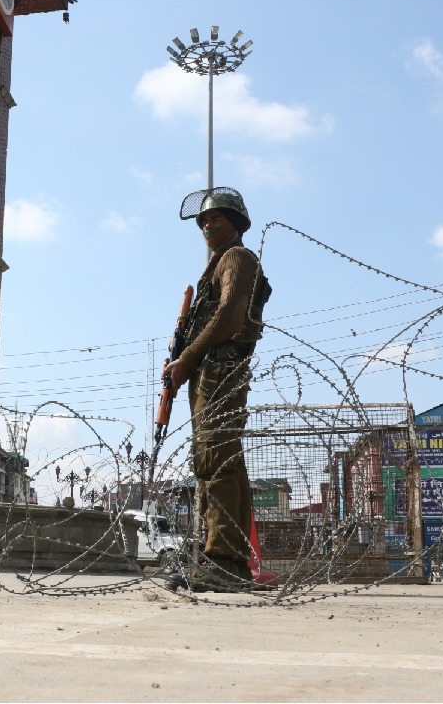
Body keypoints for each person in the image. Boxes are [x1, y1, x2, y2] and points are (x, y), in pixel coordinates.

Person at [164, 187, 271, 592]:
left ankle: (223, 561)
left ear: (237, 223)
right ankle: (227, 559)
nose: (208, 225)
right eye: (205, 221)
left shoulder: (237, 258)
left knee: (215, 460)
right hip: (210, 370)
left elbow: (229, 315)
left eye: (218, 219)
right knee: (222, 460)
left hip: (219, 369)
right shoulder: (219, 264)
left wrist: (187, 358)